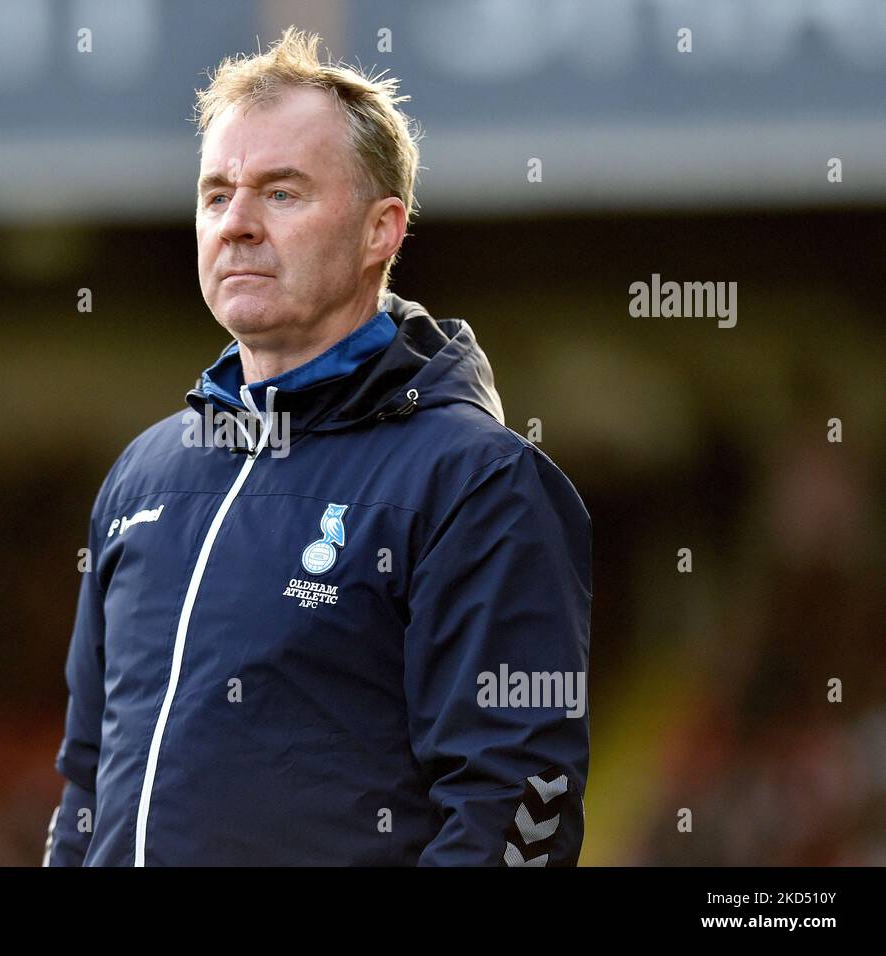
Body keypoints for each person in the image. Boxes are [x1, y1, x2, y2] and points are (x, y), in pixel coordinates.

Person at [44, 26, 591, 866]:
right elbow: (86, 781)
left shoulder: (477, 483)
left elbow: (519, 802)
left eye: (282, 193)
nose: (237, 225)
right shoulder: (142, 476)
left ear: (382, 231)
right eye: (216, 194)